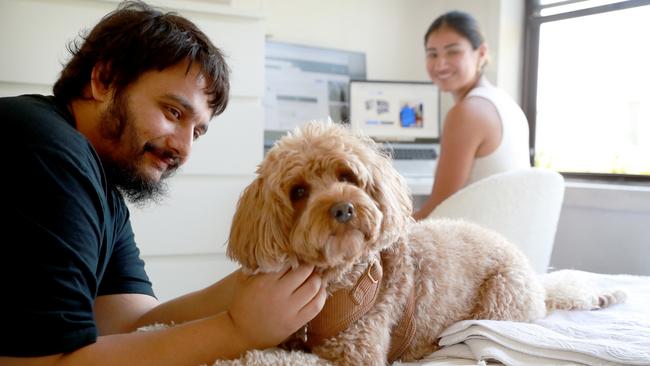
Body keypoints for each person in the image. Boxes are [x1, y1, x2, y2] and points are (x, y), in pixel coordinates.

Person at [0, 1, 326, 365]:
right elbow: (43, 363)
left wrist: (251, 283)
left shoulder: (103, 194)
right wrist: (237, 330)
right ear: (105, 80)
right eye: (173, 112)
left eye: (197, 132)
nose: (183, 148)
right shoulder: (48, 151)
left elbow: (132, 324)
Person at [412, 10, 531, 221]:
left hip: (477, 245)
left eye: (453, 52)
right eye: (432, 54)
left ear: (481, 53)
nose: (440, 63)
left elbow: (438, 210)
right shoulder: (505, 102)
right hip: (505, 242)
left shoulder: (467, 112)